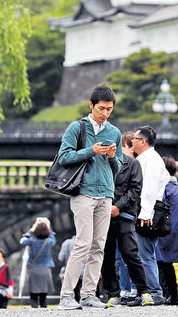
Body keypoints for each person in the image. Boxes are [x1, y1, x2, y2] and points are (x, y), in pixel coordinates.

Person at [57, 85, 123, 310]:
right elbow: (63, 157)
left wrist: (113, 156)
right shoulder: (77, 128)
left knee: (99, 246)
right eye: (102, 108)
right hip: (83, 192)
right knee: (83, 243)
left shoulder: (114, 132)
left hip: (105, 193)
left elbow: (118, 167)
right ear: (91, 105)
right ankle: (66, 295)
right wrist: (90, 151)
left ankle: (88, 294)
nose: (105, 113)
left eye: (109, 109)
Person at [101, 131, 153, 307]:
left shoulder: (132, 164)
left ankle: (144, 291)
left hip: (124, 215)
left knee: (130, 253)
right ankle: (112, 294)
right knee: (106, 256)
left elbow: (135, 190)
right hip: (103, 215)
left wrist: (118, 207)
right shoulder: (101, 163)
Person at [132, 125, 170, 305]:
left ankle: (154, 292)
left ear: (143, 141)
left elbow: (149, 188)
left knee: (144, 252)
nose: (132, 141)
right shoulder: (145, 158)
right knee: (143, 252)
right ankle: (145, 291)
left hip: (149, 210)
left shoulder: (151, 160)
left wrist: (145, 213)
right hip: (146, 209)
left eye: (134, 138)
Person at [156, 156, 178, 306]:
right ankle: (173, 296)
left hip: (163, 231)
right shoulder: (174, 188)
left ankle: (167, 295)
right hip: (174, 230)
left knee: (160, 263)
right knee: (167, 264)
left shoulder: (164, 188)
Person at [21, 218, 56, 308]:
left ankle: (34, 310)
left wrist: (31, 229)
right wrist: (48, 226)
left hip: (34, 270)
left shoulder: (32, 241)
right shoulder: (49, 242)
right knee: (43, 297)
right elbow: (52, 237)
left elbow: (22, 241)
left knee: (33, 296)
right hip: (46, 270)